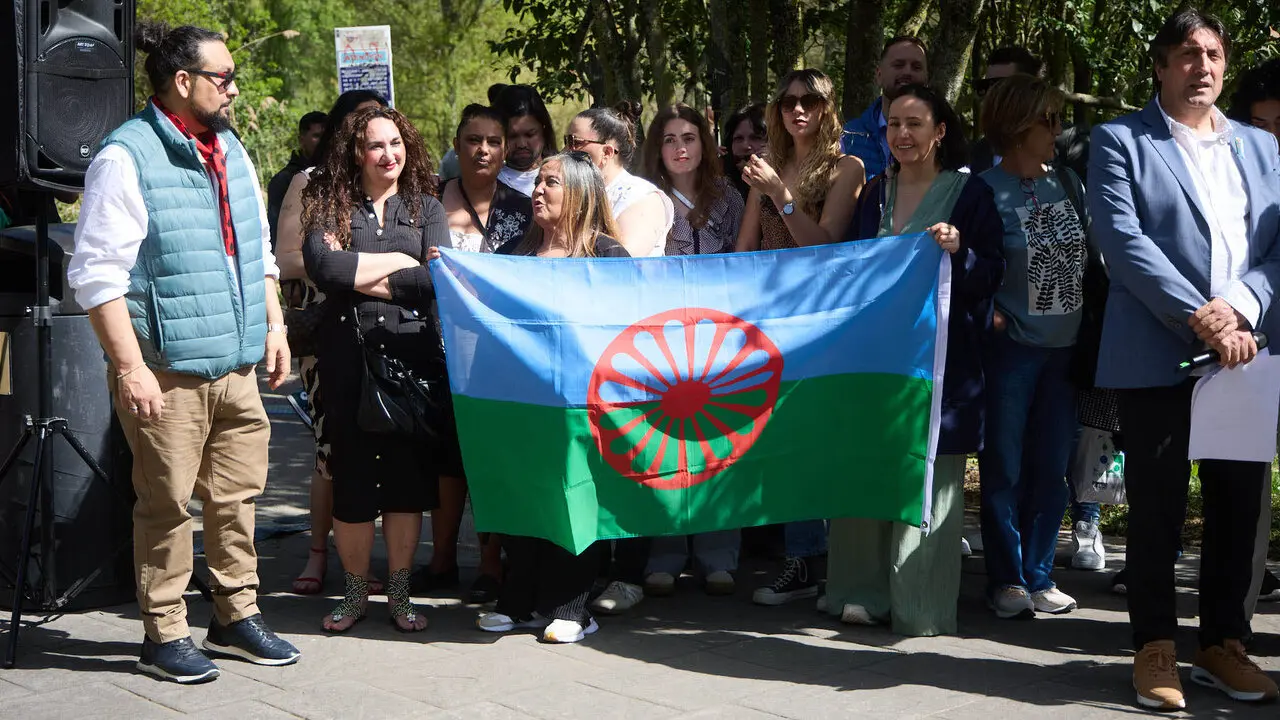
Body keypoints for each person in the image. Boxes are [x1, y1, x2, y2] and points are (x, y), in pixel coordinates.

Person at [65, 22, 300, 683]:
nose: (231, 89)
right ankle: (164, 631)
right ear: (183, 82)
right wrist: (131, 367)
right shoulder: (125, 156)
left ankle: (234, 616)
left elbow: (249, 251)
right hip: (166, 370)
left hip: (237, 362)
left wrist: (274, 329)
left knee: (237, 496)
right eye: (222, 78)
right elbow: (96, 275)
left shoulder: (230, 148)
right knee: (165, 503)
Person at [1088, 9, 1280, 710]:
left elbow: (1275, 250)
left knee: (1239, 509)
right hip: (1161, 351)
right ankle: (1154, 648)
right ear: (1162, 66)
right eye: (1187, 55)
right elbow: (1123, 241)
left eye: (1213, 54)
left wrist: (1245, 310)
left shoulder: (1262, 148)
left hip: (1247, 353)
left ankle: (1224, 645)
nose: (1203, 66)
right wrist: (1204, 318)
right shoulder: (1120, 141)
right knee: (1158, 508)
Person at [827, 84, 1003, 636]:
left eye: (914, 124)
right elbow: (852, 270)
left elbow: (992, 273)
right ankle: (860, 592)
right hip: (875, 363)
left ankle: (919, 605)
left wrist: (960, 250)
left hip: (940, 369)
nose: (902, 135)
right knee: (865, 469)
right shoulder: (875, 191)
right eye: (893, 125)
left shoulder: (969, 197)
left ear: (940, 132)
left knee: (930, 478)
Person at [470, 150, 629, 643]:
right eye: (538, 182)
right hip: (525, 405)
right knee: (527, 496)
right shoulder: (513, 255)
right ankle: (518, 602)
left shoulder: (607, 256)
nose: (538, 191)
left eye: (552, 183)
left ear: (581, 192)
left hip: (586, 405)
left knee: (578, 498)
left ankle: (573, 607)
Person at [302, 106, 450, 634]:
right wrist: (402, 264)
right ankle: (354, 593)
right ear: (356, 153)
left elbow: (438, 280)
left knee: (409, 482)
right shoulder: (329, 205)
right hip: (348, 358)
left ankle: (402, 593)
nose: (389, 155)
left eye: (396, 143)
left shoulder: (427, 207)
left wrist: (362, 272)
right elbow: (326, 267)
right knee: (354, 480)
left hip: (412, 355)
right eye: (375, 146)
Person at [736, 69, 865, 606]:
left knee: (810, 439)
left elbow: (828, 245)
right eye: (787, 100)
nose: (798, 109)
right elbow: (743, 250)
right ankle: (801, 558)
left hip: (818, 320)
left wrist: (782, 196)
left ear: (829, 106)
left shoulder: (847, 166)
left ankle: (811, 559)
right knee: (779, 441)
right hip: (766, 318)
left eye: (810, 99)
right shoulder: (769, 166)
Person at [975, 75, 1088, 620]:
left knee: (1051, 467)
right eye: (1049, 119)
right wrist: (989, 312)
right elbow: (967, 269)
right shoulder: (981, 189)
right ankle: (1007, 579)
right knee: (1004, 466)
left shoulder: (1068, 182)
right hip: (1012, 352)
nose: (1058, 129)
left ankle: (1041, 575)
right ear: (1019, 126)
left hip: (1066, 352)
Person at [411, 103, 532, 602]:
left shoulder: (522, 208)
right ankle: (440, 559)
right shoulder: (428, 202)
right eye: (472, 140)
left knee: (491, 458)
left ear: (505, 149)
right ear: (456, 146)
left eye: (493, 141)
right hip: (438, 347)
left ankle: (489, 562)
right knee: (444, 461)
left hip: (498, 352)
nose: (483, 149)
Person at [273, 89, 389, 597]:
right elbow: (286, 258)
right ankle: (318, 556)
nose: (370, 134)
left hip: (382, 332)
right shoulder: (311, 182)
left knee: (376, 449)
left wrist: (354, 263)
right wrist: (345, 267)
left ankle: (363, 563)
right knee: (329, 450)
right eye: (359, 124)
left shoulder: (393, 183)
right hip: (326, 329)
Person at [632, 103, 744, 595]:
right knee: (665, 445)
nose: (681, 148)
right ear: (657, 148)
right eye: (671, 139)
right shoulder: (645, 200)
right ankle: (666, 551)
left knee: (720, 443)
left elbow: (747, 262)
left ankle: (718, 553)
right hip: (661, 343)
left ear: (705, 144)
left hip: (720, 342)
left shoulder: (730, 199)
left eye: (690, 138)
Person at [1228, 58, 1280, 608]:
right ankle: (1232, 625)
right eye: (1264, 127)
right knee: (1246, 490)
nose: (1275, 140)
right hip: (1248, 350)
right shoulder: (1229, 180)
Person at [564, 106, 675, 257]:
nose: (566, 150)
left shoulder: (643, 198)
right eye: (566, 141)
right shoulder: (568, 192)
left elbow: (622, 263)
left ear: (607, 152)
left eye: (575, 142)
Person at [969, 46, 1090, 183]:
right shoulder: (979, 152)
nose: (991, 95)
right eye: (985, 87)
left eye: (1002, 86)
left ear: (1033, 91)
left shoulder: (1072, 144)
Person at [840, 36, 928, 179]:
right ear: (879, 75)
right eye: (898, 65)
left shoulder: (943, 139)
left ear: (926, 78)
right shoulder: (848, 138)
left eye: (916, 67)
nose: (907, 72)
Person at [266, 110, 325, 251]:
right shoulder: (283, 180)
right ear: (302, 139)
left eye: (326, 136)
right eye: (317, 136)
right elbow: (276, 233)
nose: (323, 142)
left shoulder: (337, 175)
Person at [492, 84, 558, 196]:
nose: (521, 144)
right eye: (512, 136)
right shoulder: (486, 182)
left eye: (530, 134)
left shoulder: (565, 176)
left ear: (544, 130)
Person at [722, 103, 767, 199]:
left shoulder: (786, 179)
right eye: (738, 138)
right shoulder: (719, 183)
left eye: (755, 138)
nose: (745, 146)